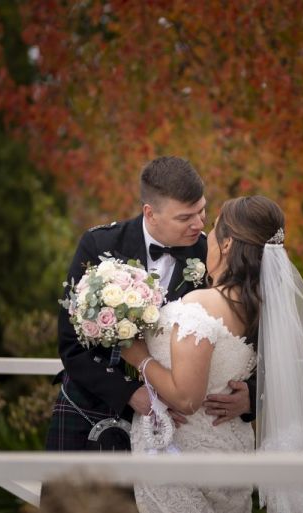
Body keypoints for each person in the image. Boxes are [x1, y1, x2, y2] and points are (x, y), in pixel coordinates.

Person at [122, 196, 303, 513]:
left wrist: (140, 357)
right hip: (230, 455)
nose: (206, 236)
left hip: (181, 461)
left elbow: (186, 398)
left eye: (212, 228)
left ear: (226, 244)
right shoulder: (261, 311)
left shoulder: (200, 306)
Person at [45, 156, 255, 452]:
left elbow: (249, 332)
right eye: (185, 217)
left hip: (180, 428)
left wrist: (253, 395)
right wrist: (129, 393)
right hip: (92, 407)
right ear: (150, 212)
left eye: (202, 210)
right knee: (75, 500)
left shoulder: (214, 257)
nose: (199, 224)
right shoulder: (99, 245)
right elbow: (71, 342)